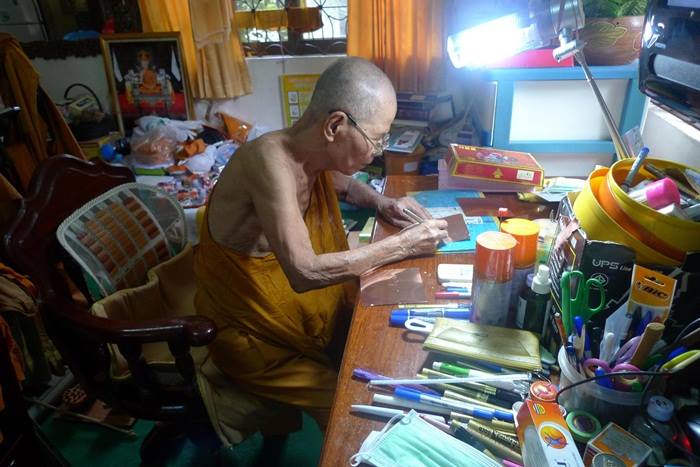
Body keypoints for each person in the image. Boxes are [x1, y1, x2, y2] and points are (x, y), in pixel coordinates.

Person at [194, 57, 448, 432]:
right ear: (335, 126)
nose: (380, 150)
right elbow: (303, 272)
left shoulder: (310, 154)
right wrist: (405, 245)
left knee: (388, 345)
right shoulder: (269, 161)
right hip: (259, 340)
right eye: (377, 138)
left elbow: (346, 187)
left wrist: (384, 203)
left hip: (307, 317)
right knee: (356, 408)